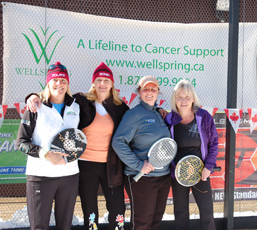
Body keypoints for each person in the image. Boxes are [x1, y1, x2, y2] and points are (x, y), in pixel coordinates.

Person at [25, 62, 129, 230]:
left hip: (112, 166)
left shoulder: (120, 107)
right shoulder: (81, 101)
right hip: (86, 165)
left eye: (106, 80)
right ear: (93, 83)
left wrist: (160, 110)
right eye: (99, 80)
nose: (102, 84)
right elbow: (55, 96)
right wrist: (33, 96)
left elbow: (135, 120)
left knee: (117, 211)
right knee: (90, 211)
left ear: (112, 84)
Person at [17, 62, 80, 230]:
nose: (59, 84)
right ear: (48, 82)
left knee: (65, 226)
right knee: (39, 227)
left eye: (63, 80)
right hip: (40, 177)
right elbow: (21, 143)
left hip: (69, 175)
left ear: (67, 83)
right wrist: (46, 154)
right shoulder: (35, 107)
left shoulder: (77, 106)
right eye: (55, 80)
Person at [112, 76, 171, 230]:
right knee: (142, 224)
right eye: (145, 89)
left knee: (155, 222)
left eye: (153, 89)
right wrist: (138, 165)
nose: (149, 92)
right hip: (142, 179)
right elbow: (118, 142)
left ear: (158, 92)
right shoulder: (134, 115)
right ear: (139, 91)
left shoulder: (160, 114)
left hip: (163, 178)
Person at [164, 79, 218, 230]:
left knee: (207, 212)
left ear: (193, 99)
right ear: (175, 99)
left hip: (201, 173)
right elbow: (166, 147)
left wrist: (208, 167)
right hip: (178, 175)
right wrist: (173, 168)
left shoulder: (204, 117)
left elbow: (214, 143)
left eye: (187, 97)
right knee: (180, 213)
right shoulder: (169, 119)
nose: (183, 101)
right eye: (180, 97)